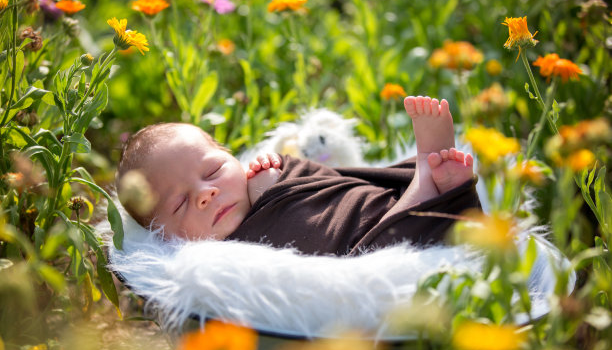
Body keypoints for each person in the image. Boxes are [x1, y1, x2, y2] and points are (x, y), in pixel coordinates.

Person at [116, 96, 481, 255]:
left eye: (213, 170)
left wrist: (274, 184)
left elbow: (328, 184)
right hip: (362, 243)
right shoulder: (213, 263)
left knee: (379, 207)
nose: (205, 193)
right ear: (162, 236)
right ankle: (429, 187)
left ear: (231, 157)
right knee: (381, 247)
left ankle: (423, 179)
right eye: (181, 203)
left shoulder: (265, 176)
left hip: (363, 211)